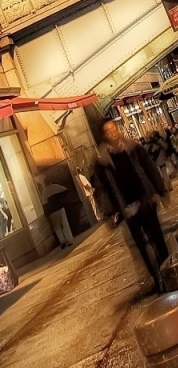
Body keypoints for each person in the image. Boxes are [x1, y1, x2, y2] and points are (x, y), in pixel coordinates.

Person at [92, 119, 169, 292]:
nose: (112, 132)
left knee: (157, 237)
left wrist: (160, 191)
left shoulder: (134, 148)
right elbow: (101, 188)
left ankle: (168, 268)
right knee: (141, 246)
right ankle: (156, 278)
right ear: (104, 135)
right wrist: (110, 213)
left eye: (114, 128)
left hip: (145, 199)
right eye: (108, 130)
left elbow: (150, 168)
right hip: (126, 207)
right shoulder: (102, 161)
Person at [38, 174, 74, 249]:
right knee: (65, 224)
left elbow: (44, 203)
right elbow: (65, 190)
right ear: (50, 182)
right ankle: (70, 240)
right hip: (60, 208)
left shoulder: (44, 192)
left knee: (57, 227)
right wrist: (61, 198)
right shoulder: (55, 186)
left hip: (52, 211)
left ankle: (63, 241)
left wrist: (46, 214)